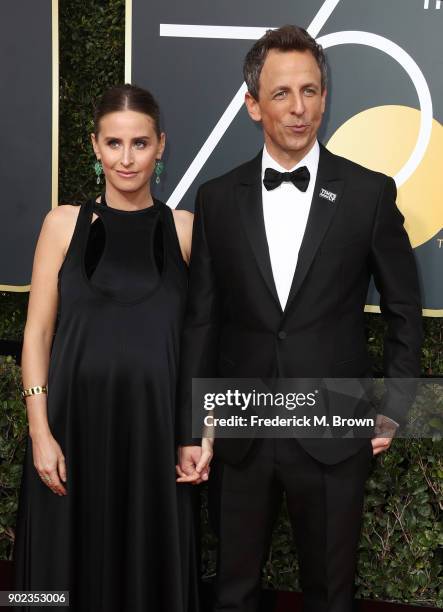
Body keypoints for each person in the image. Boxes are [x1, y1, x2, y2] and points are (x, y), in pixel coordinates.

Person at [176, 25, 422, 612]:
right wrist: (192, 428)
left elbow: (403, 309)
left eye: (310, 90)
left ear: (324, 97)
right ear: (252, 104)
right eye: (282, 93)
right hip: (240, 435)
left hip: (336, 433)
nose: (299, 107)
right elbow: (203, 321)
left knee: (331, 597)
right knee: (233, 594)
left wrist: (394, 407)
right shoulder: (216, 199)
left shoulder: (368, 194)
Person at [14, 84, 199, 612]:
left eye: (139, 143)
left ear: (160, 145)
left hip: (155, 439)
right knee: (55, 584)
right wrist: (39, 431)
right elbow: (37, 334)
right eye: (114, 143)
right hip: (69, 437)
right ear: (95, 147)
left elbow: (206, 340)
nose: (126, 158)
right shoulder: (60, 225)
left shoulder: (185, 232)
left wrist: (199, 431)